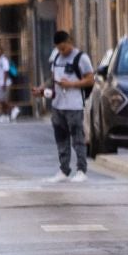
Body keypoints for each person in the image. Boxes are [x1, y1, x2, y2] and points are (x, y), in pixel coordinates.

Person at [43, 31, 94, 182]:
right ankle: (64, 170)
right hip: (58, 105)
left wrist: (71, 84)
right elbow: (52, 79)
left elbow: (90, 80)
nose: (62, 51)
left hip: (74, 105)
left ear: (69, 41)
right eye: (59, 49)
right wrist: (41, 89)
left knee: (78, 137)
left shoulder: (81, 58)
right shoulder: (57, 58)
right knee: (61, 138)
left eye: (64, 48)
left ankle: (81, 170)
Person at [0, 50, 15, 122]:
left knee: (2, 100)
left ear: (1, 52)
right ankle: (5, 115)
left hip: (4, 83)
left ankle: (13, 109)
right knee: (0, 100)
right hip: (0, 83)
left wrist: (4, 83)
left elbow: (6, 71)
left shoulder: (3, 60)